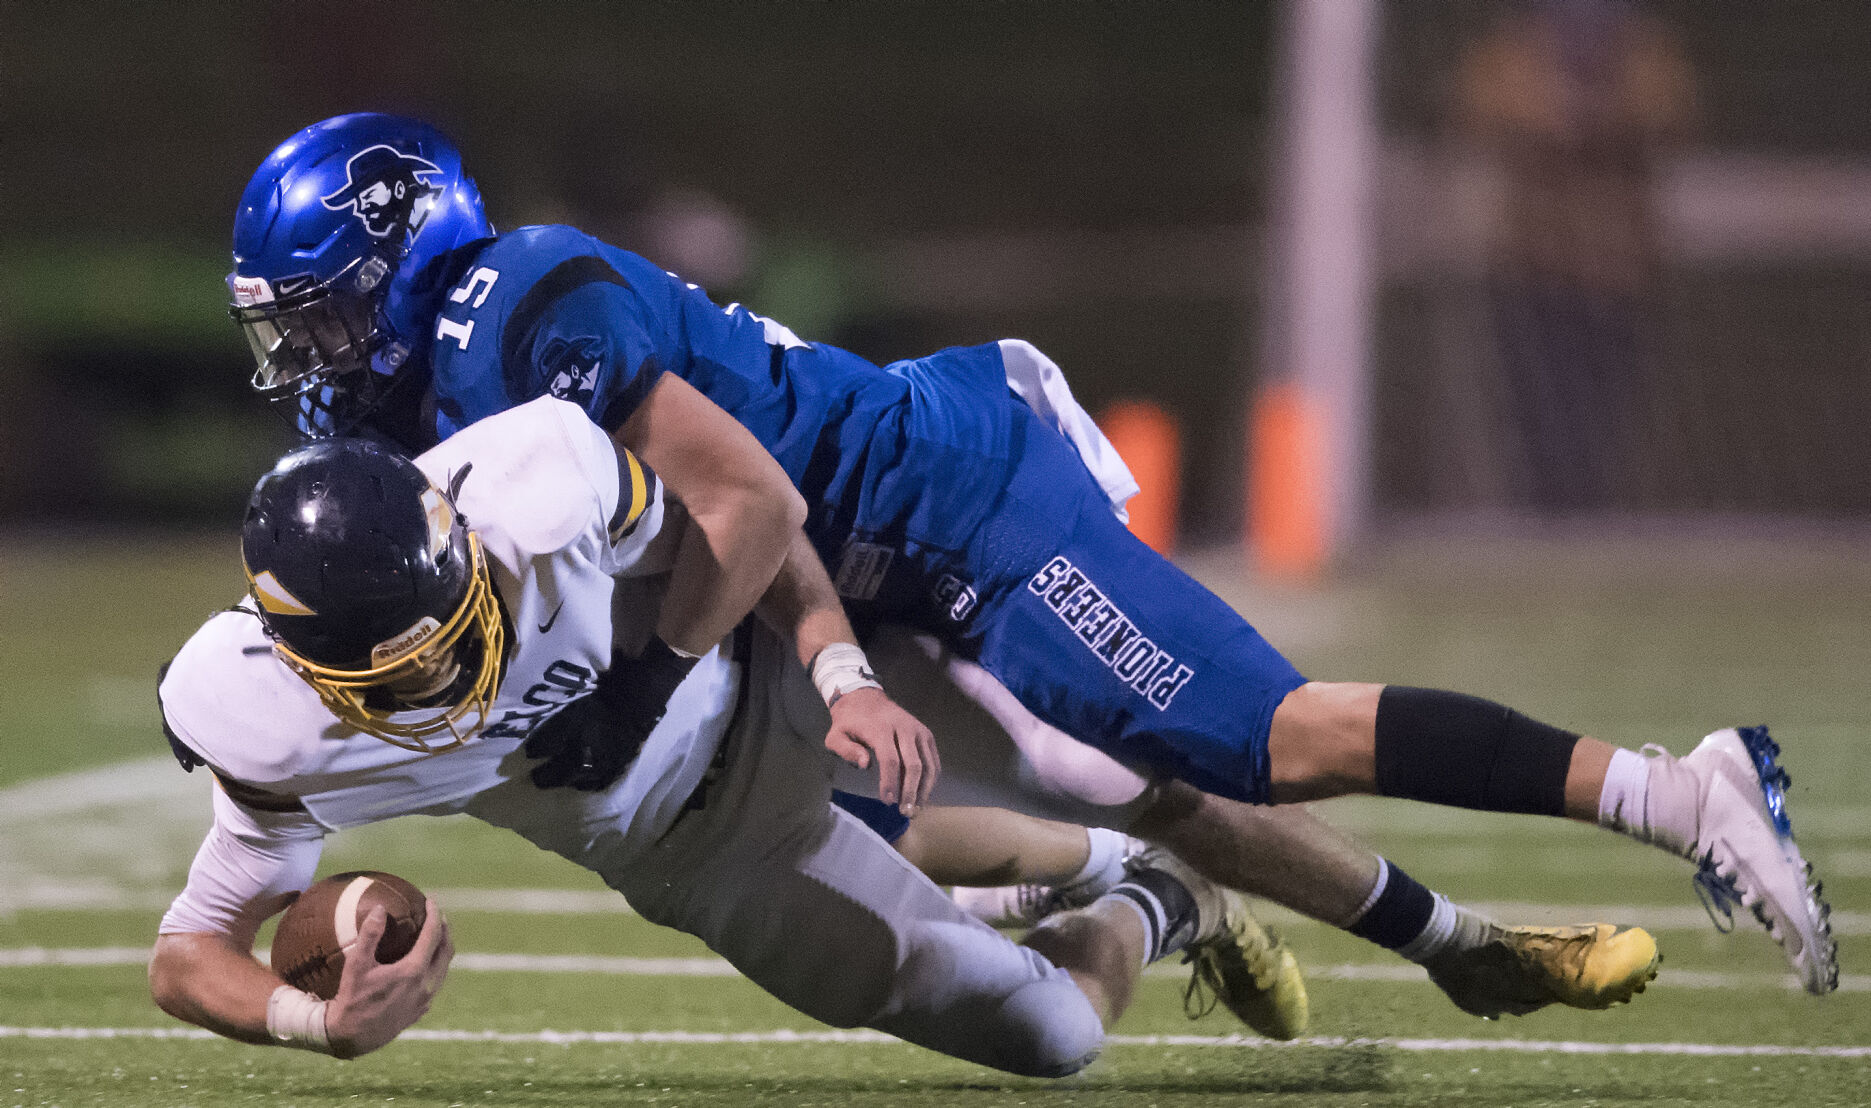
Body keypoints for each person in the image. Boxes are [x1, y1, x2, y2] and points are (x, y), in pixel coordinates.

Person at [224, 113, 1834, 999]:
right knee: (916, 822)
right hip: (828, 563)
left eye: (319, 311)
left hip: (938, 506)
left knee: (1248, 739)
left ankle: (1672, 787)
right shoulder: (433, 379)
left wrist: (691, 676)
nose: (306, 355)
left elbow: (749, 505)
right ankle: (1448, 950)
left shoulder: (524, 319)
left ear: (407, 257)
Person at [150, 398, 1305, 1067]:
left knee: (1088, 762)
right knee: (1053, 1038)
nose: (457, 668)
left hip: (752, 673)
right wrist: (310, 1018)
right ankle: (1158, 901)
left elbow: (751, 516)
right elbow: (187, 952)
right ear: (312, 668)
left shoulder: (536, 488)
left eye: (460, 624)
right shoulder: (267, 726)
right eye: (411, 670)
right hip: (699, 855)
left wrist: (823, 669)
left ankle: (1224, 863)